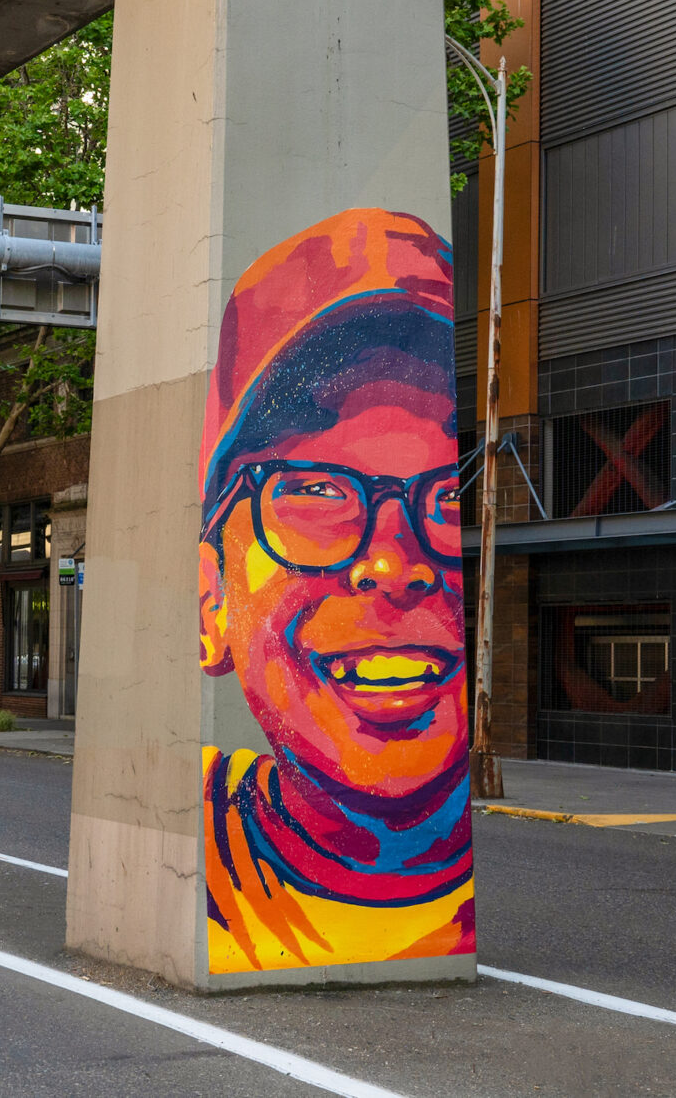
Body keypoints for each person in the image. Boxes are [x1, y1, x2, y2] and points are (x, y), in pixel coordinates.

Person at [197, 207, 471, 976]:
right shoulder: (183, 836)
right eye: (315, 488)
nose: (393, 561)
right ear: (210, 598)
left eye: (449, 492)